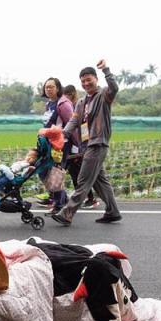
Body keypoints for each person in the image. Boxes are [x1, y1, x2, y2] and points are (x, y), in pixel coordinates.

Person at [50, 60, 121, 226]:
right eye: (83, 81)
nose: (86, 83)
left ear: (96, 79)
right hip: (86, 145)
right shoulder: (81, 102)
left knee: (83, 180)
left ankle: (67, 213)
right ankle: (113, 211)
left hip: (98, 143)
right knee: (100, 181)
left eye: (89, 79)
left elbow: (114, 88)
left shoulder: (104, 95)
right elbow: (74, 122)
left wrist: (106, 70)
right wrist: (61, 134)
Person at [36, 77, 74, 211]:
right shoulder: (49, 104)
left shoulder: (63, 104)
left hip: (60, 144)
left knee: (55, 173)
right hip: (48, 143)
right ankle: (61, 198)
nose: (48, 89)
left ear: (58, 88)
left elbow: (72, 123)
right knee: (41, 170)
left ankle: (59, 204)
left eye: (51, 87)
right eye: (46, 87)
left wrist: (76, 145)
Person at [61, 84, 98, 209]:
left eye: (66, 96)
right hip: (74, 146)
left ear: (71, 94)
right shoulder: (74, 105)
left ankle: (90, 198)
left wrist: (80, 147)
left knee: (79, 174)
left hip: (77, 146)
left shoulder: (78, 106)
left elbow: (81, 129)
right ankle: (84, 197)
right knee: (74, 173)